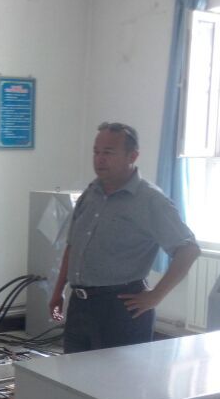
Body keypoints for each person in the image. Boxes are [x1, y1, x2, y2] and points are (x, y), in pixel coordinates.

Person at [48, 122, 200, 353]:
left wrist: (156, 296)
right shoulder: (91, 194)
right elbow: (73, 246)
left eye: (108, 153)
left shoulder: (149, 200)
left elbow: (188, 250)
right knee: (73, 372)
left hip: (121, 307)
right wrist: (58, 291)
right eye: (96, 152)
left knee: (117, 374)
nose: (99, 159)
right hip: (80, 305)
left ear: (133, 156)